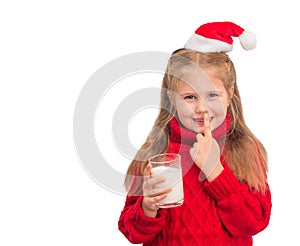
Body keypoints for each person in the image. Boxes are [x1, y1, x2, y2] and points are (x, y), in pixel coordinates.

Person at [118, 21, 272, 245]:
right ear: (172, 99)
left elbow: (254, 223)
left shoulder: (245, 149)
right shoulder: (158, 151)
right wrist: (147, 207)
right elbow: (131, 231)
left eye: (212, 95)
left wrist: (215, 171)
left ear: (229, 94)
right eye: (190, 97)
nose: (202, 108)